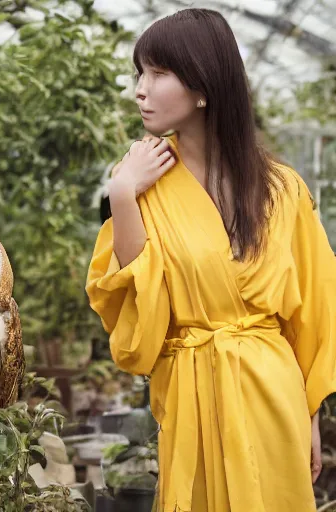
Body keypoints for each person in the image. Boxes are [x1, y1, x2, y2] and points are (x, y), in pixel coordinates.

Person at [85, 8, 336, 512]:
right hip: (193, 399)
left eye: (158, 74)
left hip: (274, 397)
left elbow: (314, 312)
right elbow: (139, 304)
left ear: (203, 85)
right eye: (140, 73)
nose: (140, 89)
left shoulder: (282, 189)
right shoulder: (140, 181)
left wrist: (310, 416)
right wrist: (122, 195)